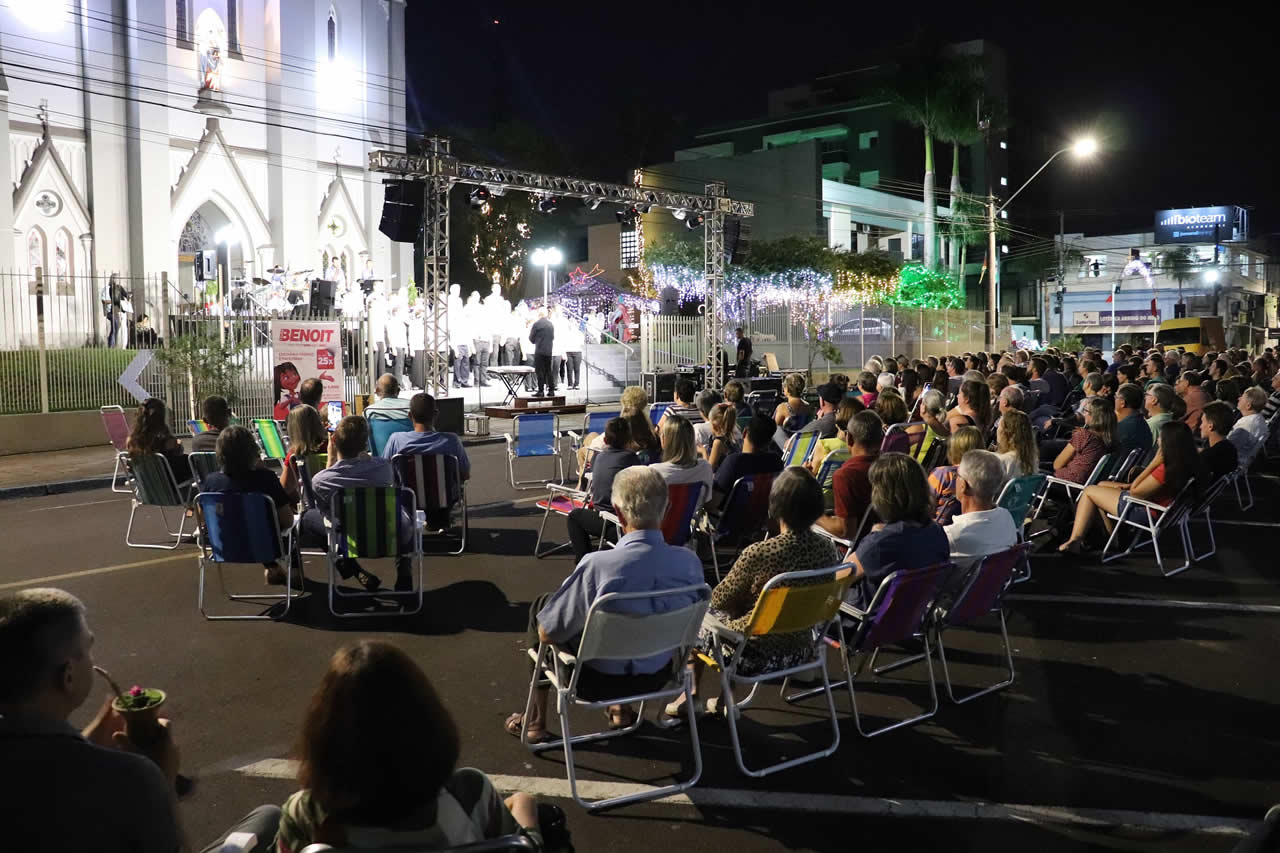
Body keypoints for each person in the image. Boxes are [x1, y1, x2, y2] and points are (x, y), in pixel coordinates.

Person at [0, 588, 280, 853]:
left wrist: (87, 740)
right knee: (271, 817)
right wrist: (164, 781)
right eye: (88, 649)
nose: (93, 659)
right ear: (69, 676)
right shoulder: (130, 778)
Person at [277, 640, 540, 853]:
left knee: (266, 817)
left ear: (323, 736)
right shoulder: (470, 792)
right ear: (430, 723)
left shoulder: (305, 813)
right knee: (524, 805)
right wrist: (528, 814)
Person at [505, 467, 705, 741]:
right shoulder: (689, 564)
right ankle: (622, 711)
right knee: (641, 618)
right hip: (658, 675)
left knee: (543, 608)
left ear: (619, 514)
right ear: (667, 509)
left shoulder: (599, 566)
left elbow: (548, 632)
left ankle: (536, 722)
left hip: (597, 683)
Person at [663, 469, 838, 722]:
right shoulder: (827, 549)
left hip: (755, 655)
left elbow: (719, 599)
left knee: (697, 613)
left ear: (776, 505)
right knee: (745, 613)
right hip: (800, 649)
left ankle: (690, 695)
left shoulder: (761, 553)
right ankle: (725, 698)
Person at [303, 416, 413, 591]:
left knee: (308, 517)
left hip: (349, 539)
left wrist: (331, 461)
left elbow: (325, 512)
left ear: (333, 441)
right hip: (387, 535)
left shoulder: (321, 481)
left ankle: (352, 568)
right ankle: (404, 574)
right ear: (365, 442)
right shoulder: (385, 468)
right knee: (405, 511)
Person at [1059, 421, 1201, 554]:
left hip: (1146, 511)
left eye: (1161, 438)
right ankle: (1112, 539)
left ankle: (1075, 540)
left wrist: (1154, 463)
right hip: (1163, 510)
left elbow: (1135, 493)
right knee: (1101, 485)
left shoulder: (1166, 469)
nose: (1158, 441)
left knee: (1089, 491)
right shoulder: (1187, 463)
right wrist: (1126, 486)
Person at [846, 453, 950, 609]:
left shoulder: (880, 543)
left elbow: (832, 581)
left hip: (855, 621)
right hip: (907, 620)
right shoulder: (937, 533)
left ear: (884, 496)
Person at [381, 393, 471, 527]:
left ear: (410, 416)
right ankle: (440, 519)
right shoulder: (451, 441)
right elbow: (464, 474)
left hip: (408, 499)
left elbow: (384, 470)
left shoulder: (396, 440)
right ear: (436, 414)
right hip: (444, 499)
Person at [565, 418, 640, 561]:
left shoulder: (599, 458)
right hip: (628, 523)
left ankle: (583, 561)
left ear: (605, 440)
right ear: (629, 439)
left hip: (609, 521)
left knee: (574, 517)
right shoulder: (632, 460)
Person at [945, 449, 1018, 572]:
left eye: (957, 475)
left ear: (963, 485)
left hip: (953, 590)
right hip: (990, 588)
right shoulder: (1007, 518)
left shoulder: (953, 535)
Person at [816, 410, 883, 539]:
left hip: (857, 547)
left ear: (849, 438)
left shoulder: (845, 476)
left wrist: (815, 517)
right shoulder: (892, 465)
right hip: (888, 539)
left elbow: (846, 532)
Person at [712, 414, 785, 509]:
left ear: (745, 432)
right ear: (770, 440)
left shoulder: (734, 462)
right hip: (761, 520)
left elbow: (713, 503)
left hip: (729, 521)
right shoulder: (776, 462)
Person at [650, 416, 715, 516]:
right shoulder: (705, 467)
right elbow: (707, 502)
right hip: (688, 526)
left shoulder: (654, 472)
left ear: (663, 440)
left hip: (659, 528)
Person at [927, 424, 985, 525]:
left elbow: (923, 507)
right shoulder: (984, 475)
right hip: (967, 526)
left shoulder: (943, 474)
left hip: (936, 530)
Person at [126, 398, 191, 485]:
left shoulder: (131, 441)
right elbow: (178, 452)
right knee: (189, 460)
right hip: (167, 485)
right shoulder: (166, 441)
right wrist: (178, 444)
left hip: (146, 486)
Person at [1052, 396, 1114, 484]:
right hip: (1082, 485)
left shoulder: (1084, 435)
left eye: (1086, 411)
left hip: (1063, 483)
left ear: (1094, 416)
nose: (1084, 414)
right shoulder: (1110, 440)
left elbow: (1057, 465)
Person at [806, 397, 864, 476]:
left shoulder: (824, 445)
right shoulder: (861, 448)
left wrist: (805, 469)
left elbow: (811, 476)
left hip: (824, 488)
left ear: (838, 416)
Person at [1199, 401, 1239, 486]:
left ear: (1211, 426)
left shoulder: (1208, 456)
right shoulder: (1230, 449)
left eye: (1202, 422)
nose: (1200, 426)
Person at [1229, 386, 1270, 462]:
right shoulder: (1258, 419)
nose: (1239, 398)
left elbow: (1227, 448)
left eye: (1242, 397)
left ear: (1248, 405)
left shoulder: (1246, 425)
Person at [995, 409, 1038, 480]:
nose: (997, 431)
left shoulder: (1001, 461)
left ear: (1006, 434)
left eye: (998, 427)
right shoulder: (1032, 460)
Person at [699, 403, 739, 470]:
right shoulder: (733, 436)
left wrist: (703, 452)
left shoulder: (718, 442)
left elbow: (709, 468)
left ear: (714, 425)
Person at [529, 311, 555, 396]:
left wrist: (537, 340)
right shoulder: (551, 324)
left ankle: (541, 391)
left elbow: (531, 338)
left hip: (540, 350)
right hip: (549, 351)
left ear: (539, 315)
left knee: (540, 371)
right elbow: (552, 337)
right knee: (549, 371)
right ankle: (551, 390)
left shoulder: (537, 324)